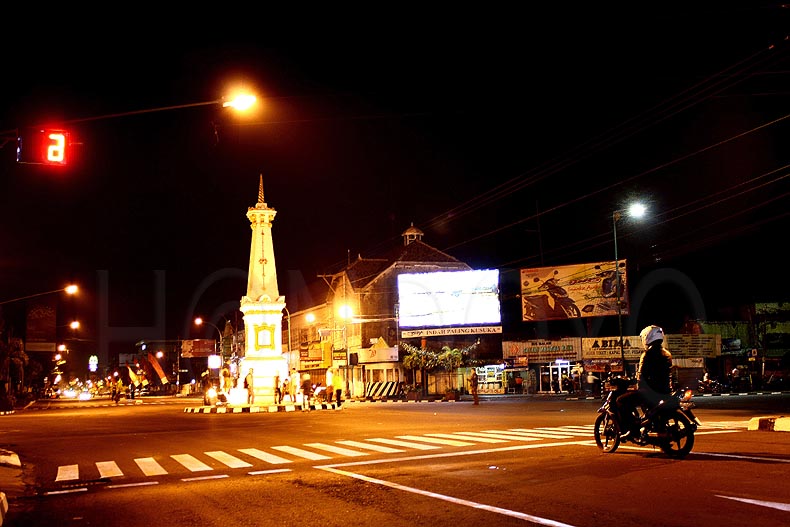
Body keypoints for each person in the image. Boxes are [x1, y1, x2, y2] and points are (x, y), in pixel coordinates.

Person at [615, 325, 673, 438]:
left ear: (647, 337)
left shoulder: (647, 354)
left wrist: (635, 385)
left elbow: (641, 376)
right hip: (665, 391)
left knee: (620, 401)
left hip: (650, 392)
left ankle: (633, 428)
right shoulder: (667, 354)